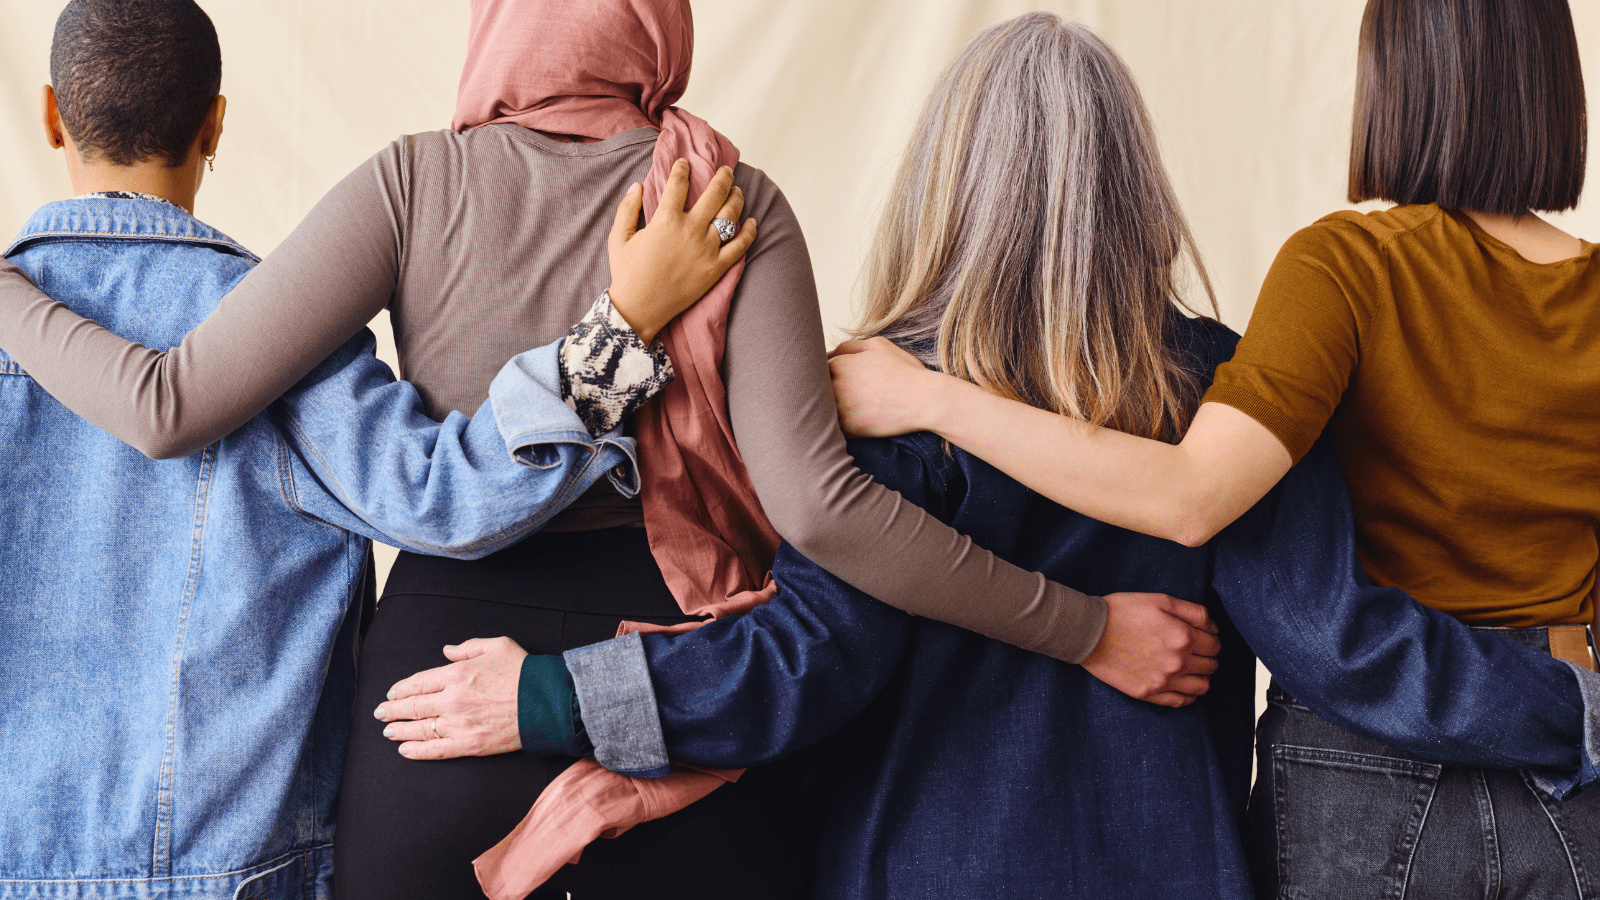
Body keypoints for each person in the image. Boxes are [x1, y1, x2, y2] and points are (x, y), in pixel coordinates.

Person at [0, 1, 1229, 896]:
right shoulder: (727, 199)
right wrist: (1085, 626)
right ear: (660, 28)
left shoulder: (412, 186)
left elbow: (167, 406)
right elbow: (826, 514)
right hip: (679, 724)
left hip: (430, 725)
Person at [826, 0, 1600, 897]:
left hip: (1363, 763)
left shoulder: (1343, 268)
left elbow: (1197, 500)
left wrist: (931, 398)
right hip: (1564, 737)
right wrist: (1572, 700)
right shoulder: (1205, 357)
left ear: (1393, 84)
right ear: (1558, 87)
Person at [0, 1, 743, 897]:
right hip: (241, 873)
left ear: (50, 115)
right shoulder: (283, 345)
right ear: (216, 123)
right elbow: (448, 500)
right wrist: (622, 329)